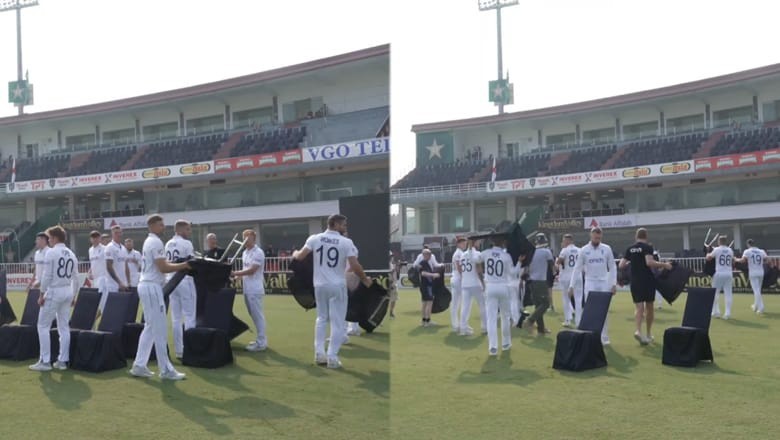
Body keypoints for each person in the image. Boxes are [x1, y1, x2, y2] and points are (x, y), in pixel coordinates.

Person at [292, 214, 370, 369]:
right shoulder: (346, 242)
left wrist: (294, 253)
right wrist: (365, 279)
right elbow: (355, 265)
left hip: (319, 285)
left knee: (321, 318)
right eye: (343, 225)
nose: (345, 228)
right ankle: (332, 357)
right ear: (335, 224)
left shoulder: (314, 238)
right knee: (338, 322)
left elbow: (300, 256)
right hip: (337, 285)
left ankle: (319, 353)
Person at [130, 215, 190, 380]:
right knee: (160, 328)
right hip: (151, 287)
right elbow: (163, 267)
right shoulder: (155, 242)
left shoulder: (151, 241)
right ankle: (165, 370)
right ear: (152, 226)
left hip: (148, 286)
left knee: (150, 327)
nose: (164, 227)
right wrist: (183, 265)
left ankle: (139, 365)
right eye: (161, 225)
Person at [29, 226, 79, 372]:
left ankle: (45, 361)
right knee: (64, 327)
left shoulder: (51, 253)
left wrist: (41, 294)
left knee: (43, 326)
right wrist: (74, 295)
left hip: (54, 291)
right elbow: (76, 279)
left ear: (55, 238)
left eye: (49, 237)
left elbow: (47, 276)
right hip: (67, 291)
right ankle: (62, 361)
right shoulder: (71, 254)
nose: (48, 240)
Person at [618, 228, 672, 345]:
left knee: (638, 307)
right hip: (647, 280)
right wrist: (665, 265)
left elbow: (621, 265)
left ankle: (638, 331)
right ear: (646, 237)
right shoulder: (647, 247)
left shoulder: (630, 248)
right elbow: (649, 262)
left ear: (636, 236)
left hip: (635, 281)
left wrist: (632, 261)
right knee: (649, 307)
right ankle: (648, 333)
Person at [568, 227, 617, 345]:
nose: (597, 239)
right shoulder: (584, 250)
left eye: (599, 238)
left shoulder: (606, 249)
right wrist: (571, 285)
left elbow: (612, 267)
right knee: (590, 310)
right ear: (591, 236)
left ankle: (604, 337)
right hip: (590, 282)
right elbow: (577, 268)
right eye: (595, 237)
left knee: (603, 310)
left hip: (603, 282)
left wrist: (613, 284)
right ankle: (591, 336)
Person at [231, 229, 268, 352]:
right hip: (247, 289)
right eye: (244, 238)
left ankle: (262, 342)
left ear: (254, 238)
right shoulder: (245, 252)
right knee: (253, 315)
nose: (245, 241)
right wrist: (238, 277)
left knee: (258, 316)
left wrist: (235, 272)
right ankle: (260, 339)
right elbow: (245, 269)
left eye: (248, 238)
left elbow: (252, 270)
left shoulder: (258, 252)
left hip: (255, 289)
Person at [165, 220, 197, 359]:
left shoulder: (168, 243)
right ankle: (191, 348)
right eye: (188, 229)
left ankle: (179, 350)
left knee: (176, 318)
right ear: (181, 230)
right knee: (189, 315)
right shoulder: (186, 243)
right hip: (184, 279)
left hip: (172, 281)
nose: (189, 232)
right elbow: (192, 262)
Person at [481, 236, 517, 355]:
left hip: (490, 286)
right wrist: (520, 262)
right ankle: (506, 343)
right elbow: (512, 273)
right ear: (503, 243)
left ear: (492, 242)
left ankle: (493, 347)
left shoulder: (486, 253)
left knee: (491, 318)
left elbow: (474, 259)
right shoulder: (506, 256)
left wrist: (470, 247)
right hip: (503, 286)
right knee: (505, 317)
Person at [522, 234, 555, 336]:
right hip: (540, 281)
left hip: (531, 281)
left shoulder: (530, 252)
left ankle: (541, 330)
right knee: (545, 304)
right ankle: (530, 320)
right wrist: (555, 272)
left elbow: (526, 268)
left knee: (538, 305)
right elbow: (552, 266)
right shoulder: (546, 251)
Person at [459, 238, 486, 336]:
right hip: (475, 283)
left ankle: (463, 328)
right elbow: (479, 270)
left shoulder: (462, 255)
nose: (479, 242)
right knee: (482, 305)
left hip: (465, 283)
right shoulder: (477, 254)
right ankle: (484, 327)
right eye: (478, 241)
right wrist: (483, 283)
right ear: (475, 242)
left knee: (465, 307)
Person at [737, 239, 769, 315]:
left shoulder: (747, 251)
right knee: (758, 290)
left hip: (753, 273)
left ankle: (761, 307)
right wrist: (761, 263)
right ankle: (755, 306)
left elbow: (742, 261)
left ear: (748, 244)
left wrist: (736, 259)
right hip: (761, 272)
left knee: (756, 290)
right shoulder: (761, 251)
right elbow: (767, 260)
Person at [706, 235, 735, 319]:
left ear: (719, 241)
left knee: (715, 293)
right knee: (728, 294)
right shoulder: (730, 250)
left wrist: (707, 253)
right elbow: (733, 261)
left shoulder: (717, 249)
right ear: (726, 242)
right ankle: (727, 313)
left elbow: (708, 258)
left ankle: (716, 312)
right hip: (729, 273)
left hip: (719, 273)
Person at [556, 234, 579, 327]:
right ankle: (579, 319)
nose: (563, 242)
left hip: (567, 276)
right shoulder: (579, 250)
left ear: (568, 241)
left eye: (564, 240)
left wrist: (558, 261)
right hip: (577, 277)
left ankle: (567, 320)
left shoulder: (565, 250)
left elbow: (559, 261)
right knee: (577, 298)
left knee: (566, 298)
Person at [87, 230, 109, 314]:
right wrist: (89, 272)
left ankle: (105, 320)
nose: (95, 239)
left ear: (100, 238)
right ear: (90, 239)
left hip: (103, 278)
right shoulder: (90, 250)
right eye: (93, 237)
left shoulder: (104, 249)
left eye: (96, 237)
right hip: (95, 279)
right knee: (96, 303)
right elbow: (93, 263)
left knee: (103, 302)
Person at [417, 249, 440, 327]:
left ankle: (424, 321)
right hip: (426, 286)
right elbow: (423, 273)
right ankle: (427, 321)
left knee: (424, 304)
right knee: (429, 303)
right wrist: (433, 275)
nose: (430, 256)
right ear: (425, 255)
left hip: (424, 286)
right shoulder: (423, 263)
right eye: (429, 254)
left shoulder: (423, 263)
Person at [449, 237, 467, 332]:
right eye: (463, 243)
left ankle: (457, 324)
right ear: (459, 244)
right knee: (456, 303)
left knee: (458, 303)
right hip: (458, 279)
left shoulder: (460, 253)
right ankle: (455, 325)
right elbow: (459, 267)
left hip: (457, 279)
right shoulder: (458, 253)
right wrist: (464, 277)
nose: (465, 245)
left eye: (465, 243)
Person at [105, 225, 129, 293]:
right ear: (112, 234)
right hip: (113, 285)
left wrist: (128, 282)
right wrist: (119, 282)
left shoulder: (123, 248)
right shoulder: (109, 247)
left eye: (120, 232)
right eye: (116, 233)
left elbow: (126, 266)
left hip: (123, 284)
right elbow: (109, 267)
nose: (119, 234)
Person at [388, 251, 399, 319]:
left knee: (394, 299)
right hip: (388, 284)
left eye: (392, 256)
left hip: (393, 283)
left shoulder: (391, 264)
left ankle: (391, 312)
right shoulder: (386, 264)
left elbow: (394, 274)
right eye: (390, 256)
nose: (391, 257)